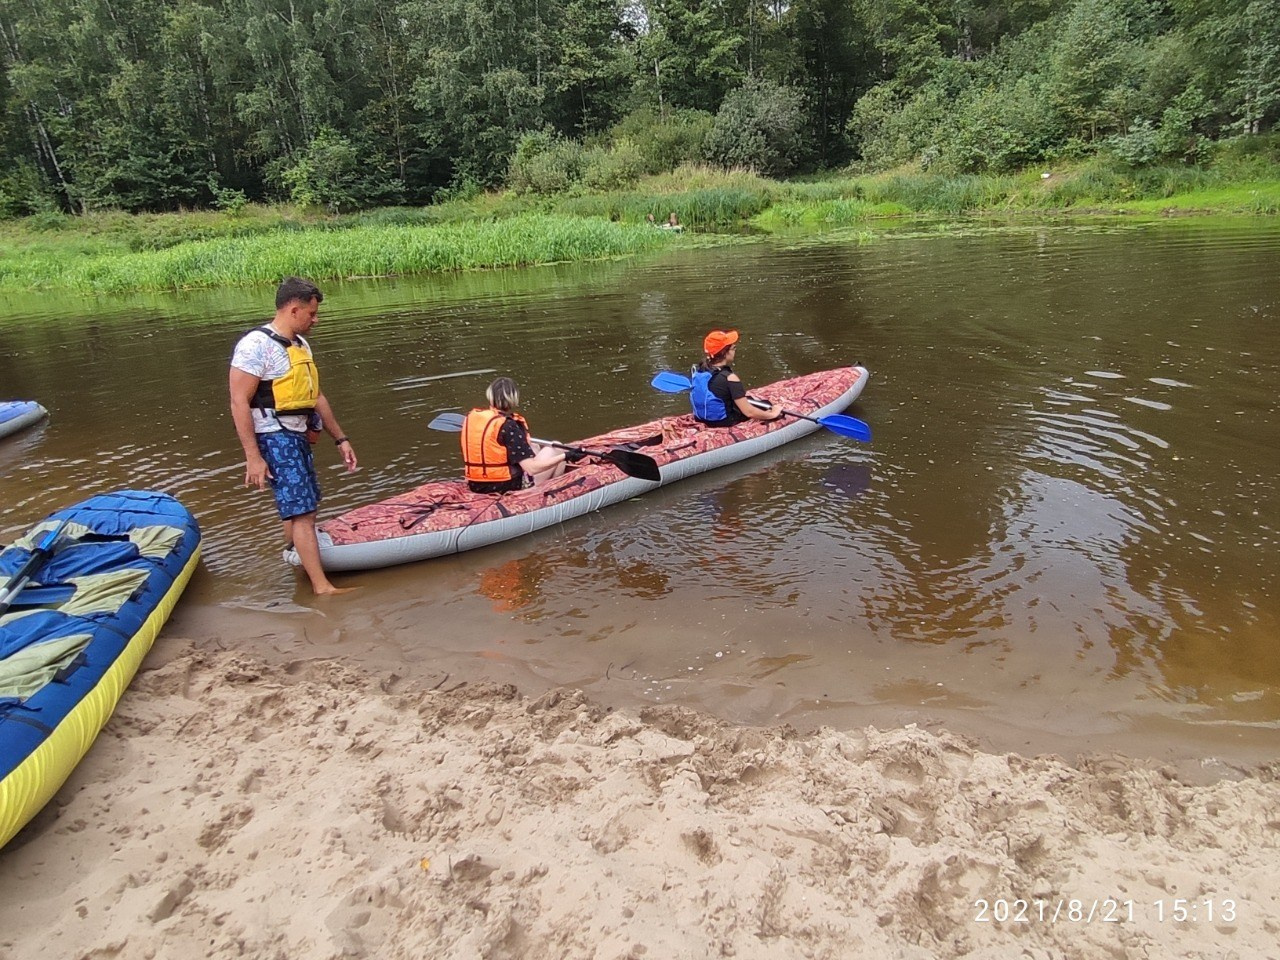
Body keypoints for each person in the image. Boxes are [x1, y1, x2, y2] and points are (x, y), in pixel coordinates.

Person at [229, 277, 358, 596]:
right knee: (302, 512)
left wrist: (340, 439)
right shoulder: (255, 346)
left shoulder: (300, 345)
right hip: (274, 437)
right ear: (294, 309)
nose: (316, 320)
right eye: (312, 314)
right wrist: (253, 457)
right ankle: (321, 587)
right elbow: (238, 402)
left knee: (307, 503)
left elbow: (316, 396)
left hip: (298, 434)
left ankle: (295, 557)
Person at [462, 377, 566, 494]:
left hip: (476, 484)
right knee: (557, 448)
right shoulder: (508, 425)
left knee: (535, 446)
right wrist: (565, 456)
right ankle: (540, 492)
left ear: (490, 396)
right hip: (504, 485)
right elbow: (531, 469)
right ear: (514, 399)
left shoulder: (471, 418)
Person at [690, 329, 784, 427]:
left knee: (750, 400)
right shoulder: (730, 377)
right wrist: (773, 414)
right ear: (725, 352)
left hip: (701, 419)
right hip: (724, 422)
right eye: (733, 348)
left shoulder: (698, 371)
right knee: (765, 405)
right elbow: (749, 412)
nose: (735, 350)